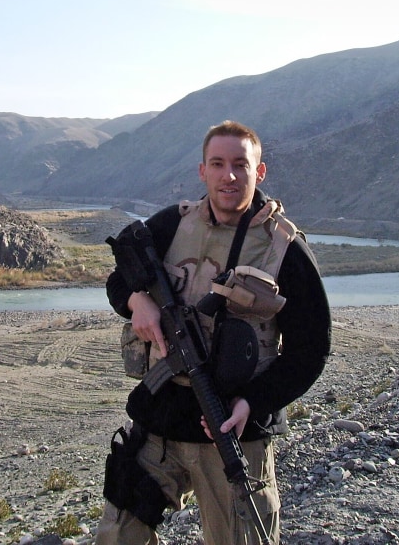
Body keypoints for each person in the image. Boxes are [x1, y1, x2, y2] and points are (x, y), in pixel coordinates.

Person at [97, 120, 331, 544]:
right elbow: (119, 277)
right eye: (218, 164)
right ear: (202, 170)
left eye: (241, 165)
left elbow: (311, 350)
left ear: (259, 172)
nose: (229, 175)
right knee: (117, 535)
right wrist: (137, 302)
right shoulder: (170, 226)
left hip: (233, 433)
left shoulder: (285, 248)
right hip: (160, 423)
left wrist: (253, 404)